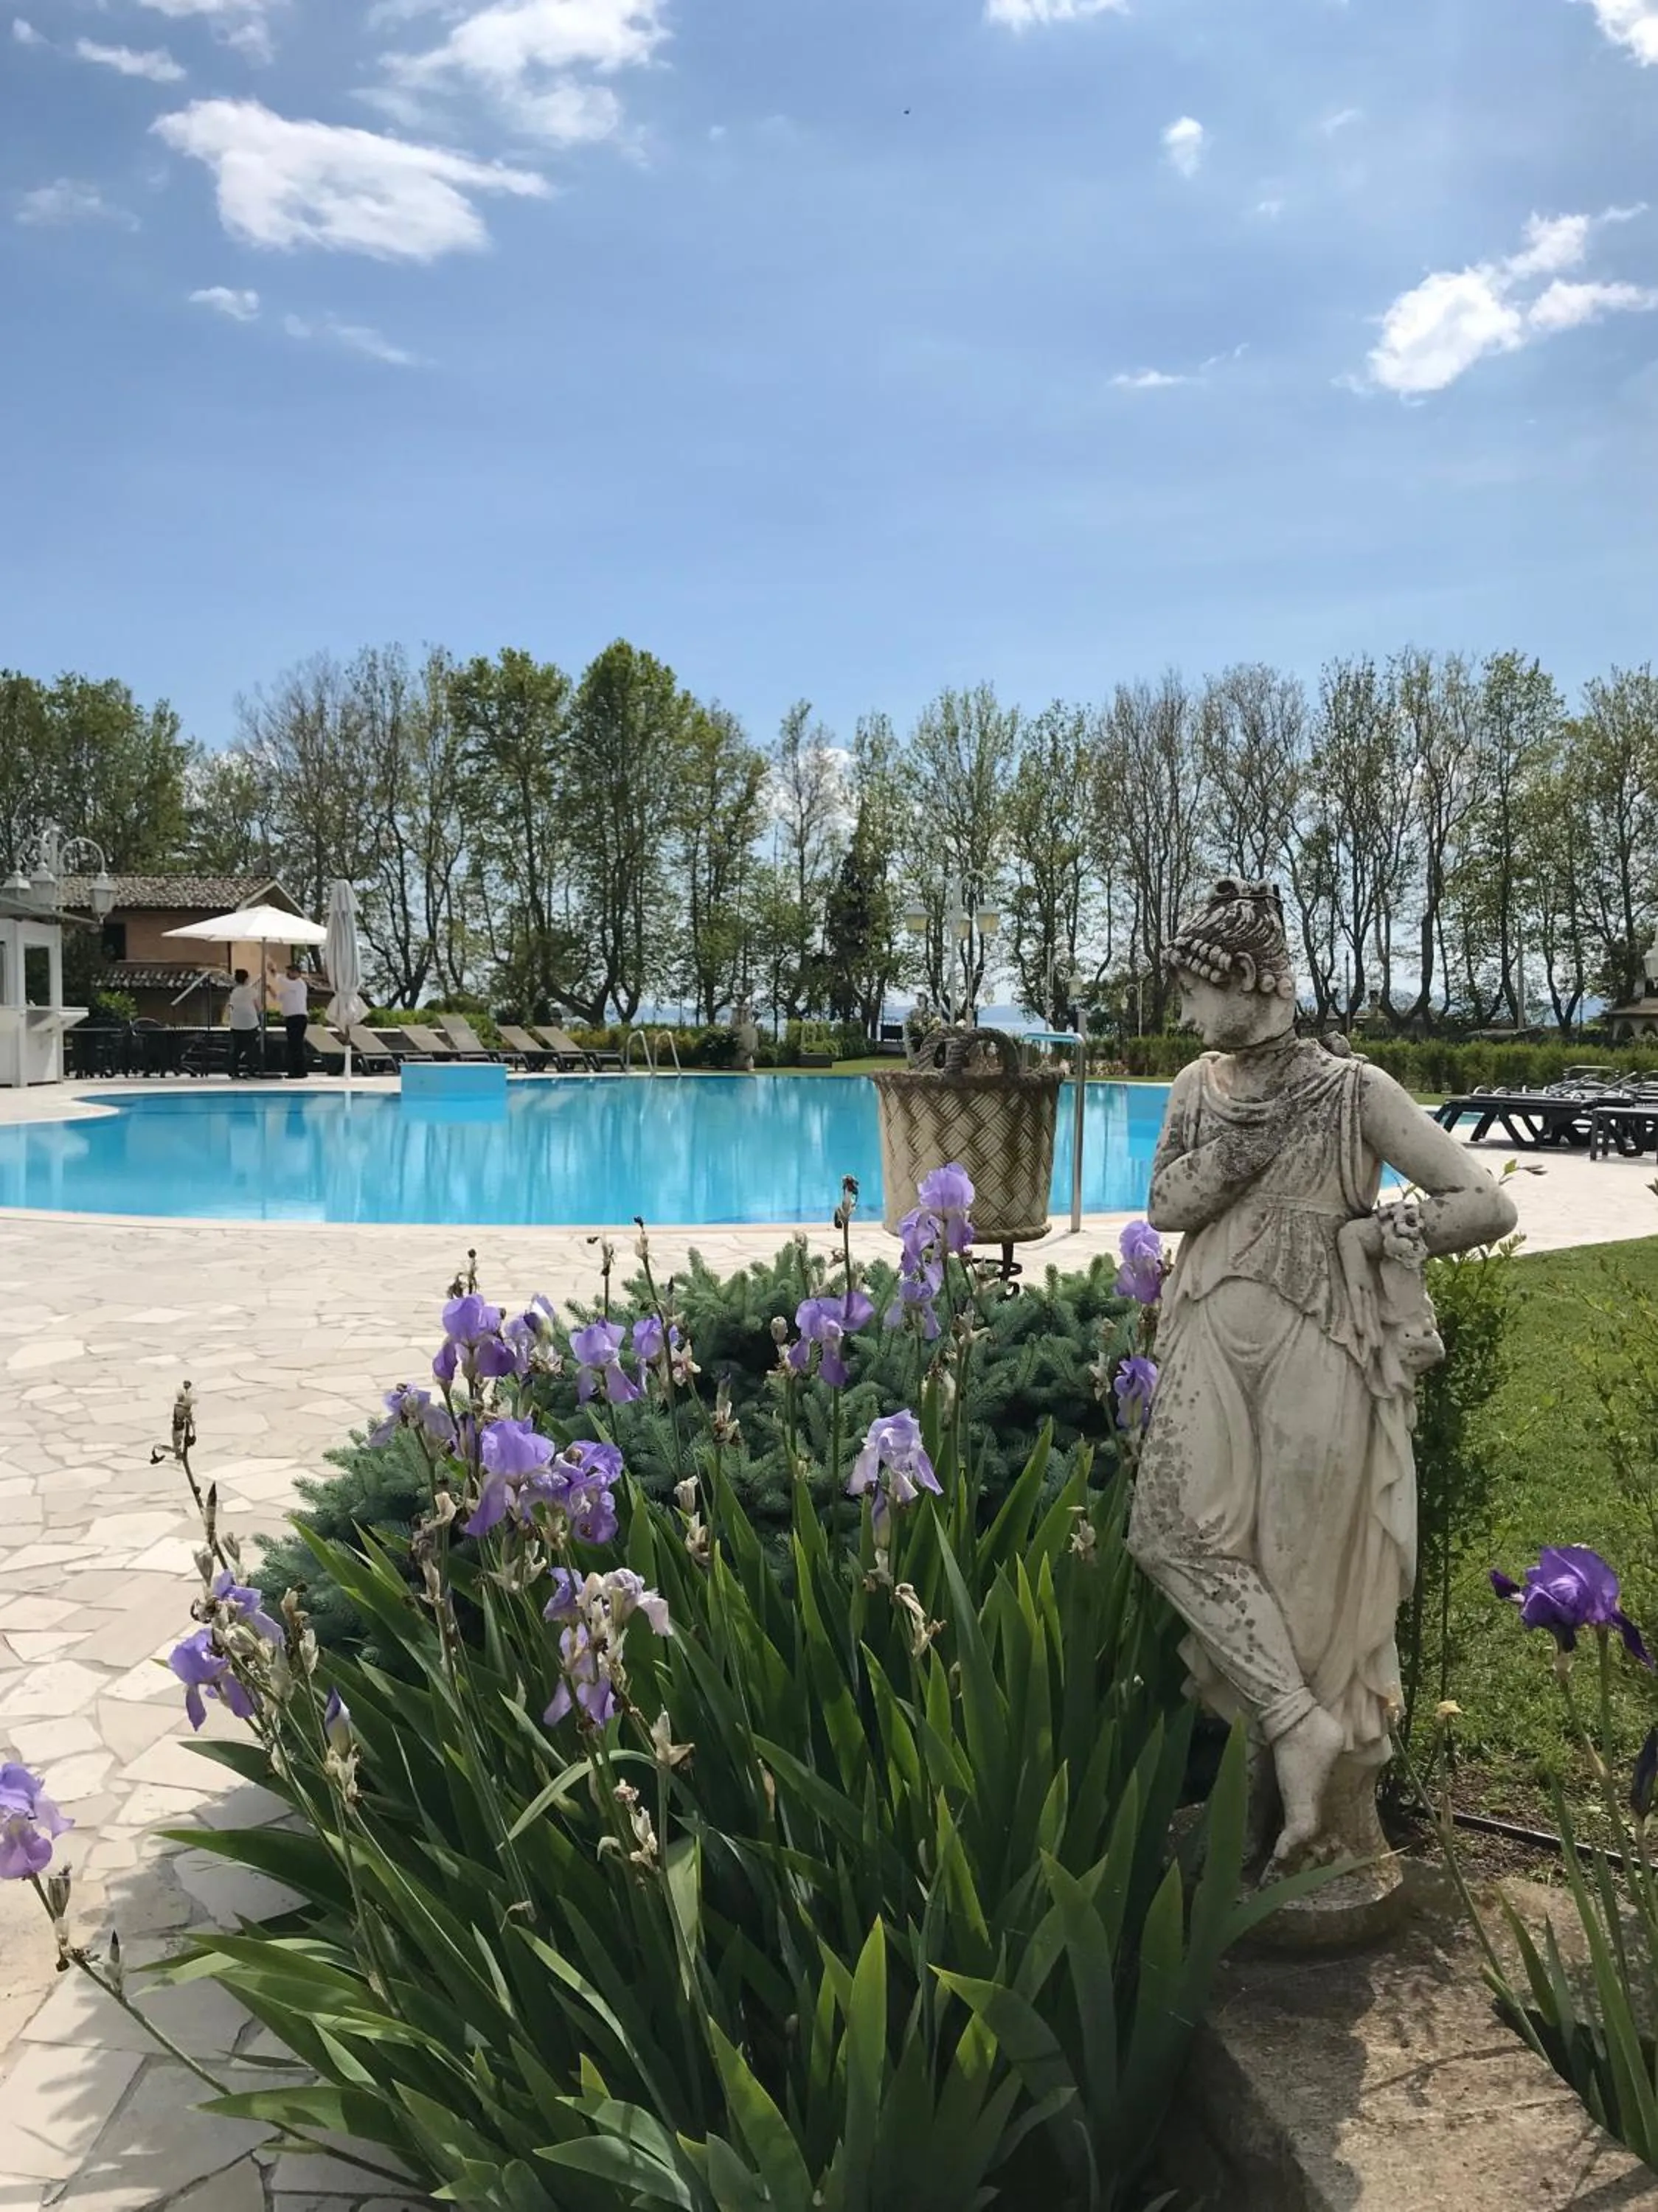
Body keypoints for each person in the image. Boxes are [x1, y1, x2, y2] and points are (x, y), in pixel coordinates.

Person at [1125, 879, 1517, 1882]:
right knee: (1169, 1529)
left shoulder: (1353, 1091)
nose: (1183, 1015)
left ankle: (1310, 1816)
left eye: (1193, 991)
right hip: (1209, 1322)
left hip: (1318, 1343)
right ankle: (1296, 1726)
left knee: (1302, 1574)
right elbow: (1166, 1203)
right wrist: (1235, 1157)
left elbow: (1484, 1202)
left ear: (1248, 981)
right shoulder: (1195, 1087)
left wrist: (1382, 1230)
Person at [226, 968, 263, 1080]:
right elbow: (259, 1007)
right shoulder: (252, 991)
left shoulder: (234, 992)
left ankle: (234, 1071)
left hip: (236, 1023)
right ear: (247, 979)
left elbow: (231, 1007)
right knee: (251, 1048)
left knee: (237, 1048)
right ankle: (251, 1070)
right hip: (250, 1022)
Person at [277, 963, 310, 1079]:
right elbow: (279, 998)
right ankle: (294, 1070)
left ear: (297, 973)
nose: (288, 974)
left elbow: (284, 982)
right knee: (292, 1045)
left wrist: (273, 972)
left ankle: (300, 1071)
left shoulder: (299, 984)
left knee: (297, 1045)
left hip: (298, 1017)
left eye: (291, 972)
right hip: (290, 1017)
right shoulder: (290, 987)